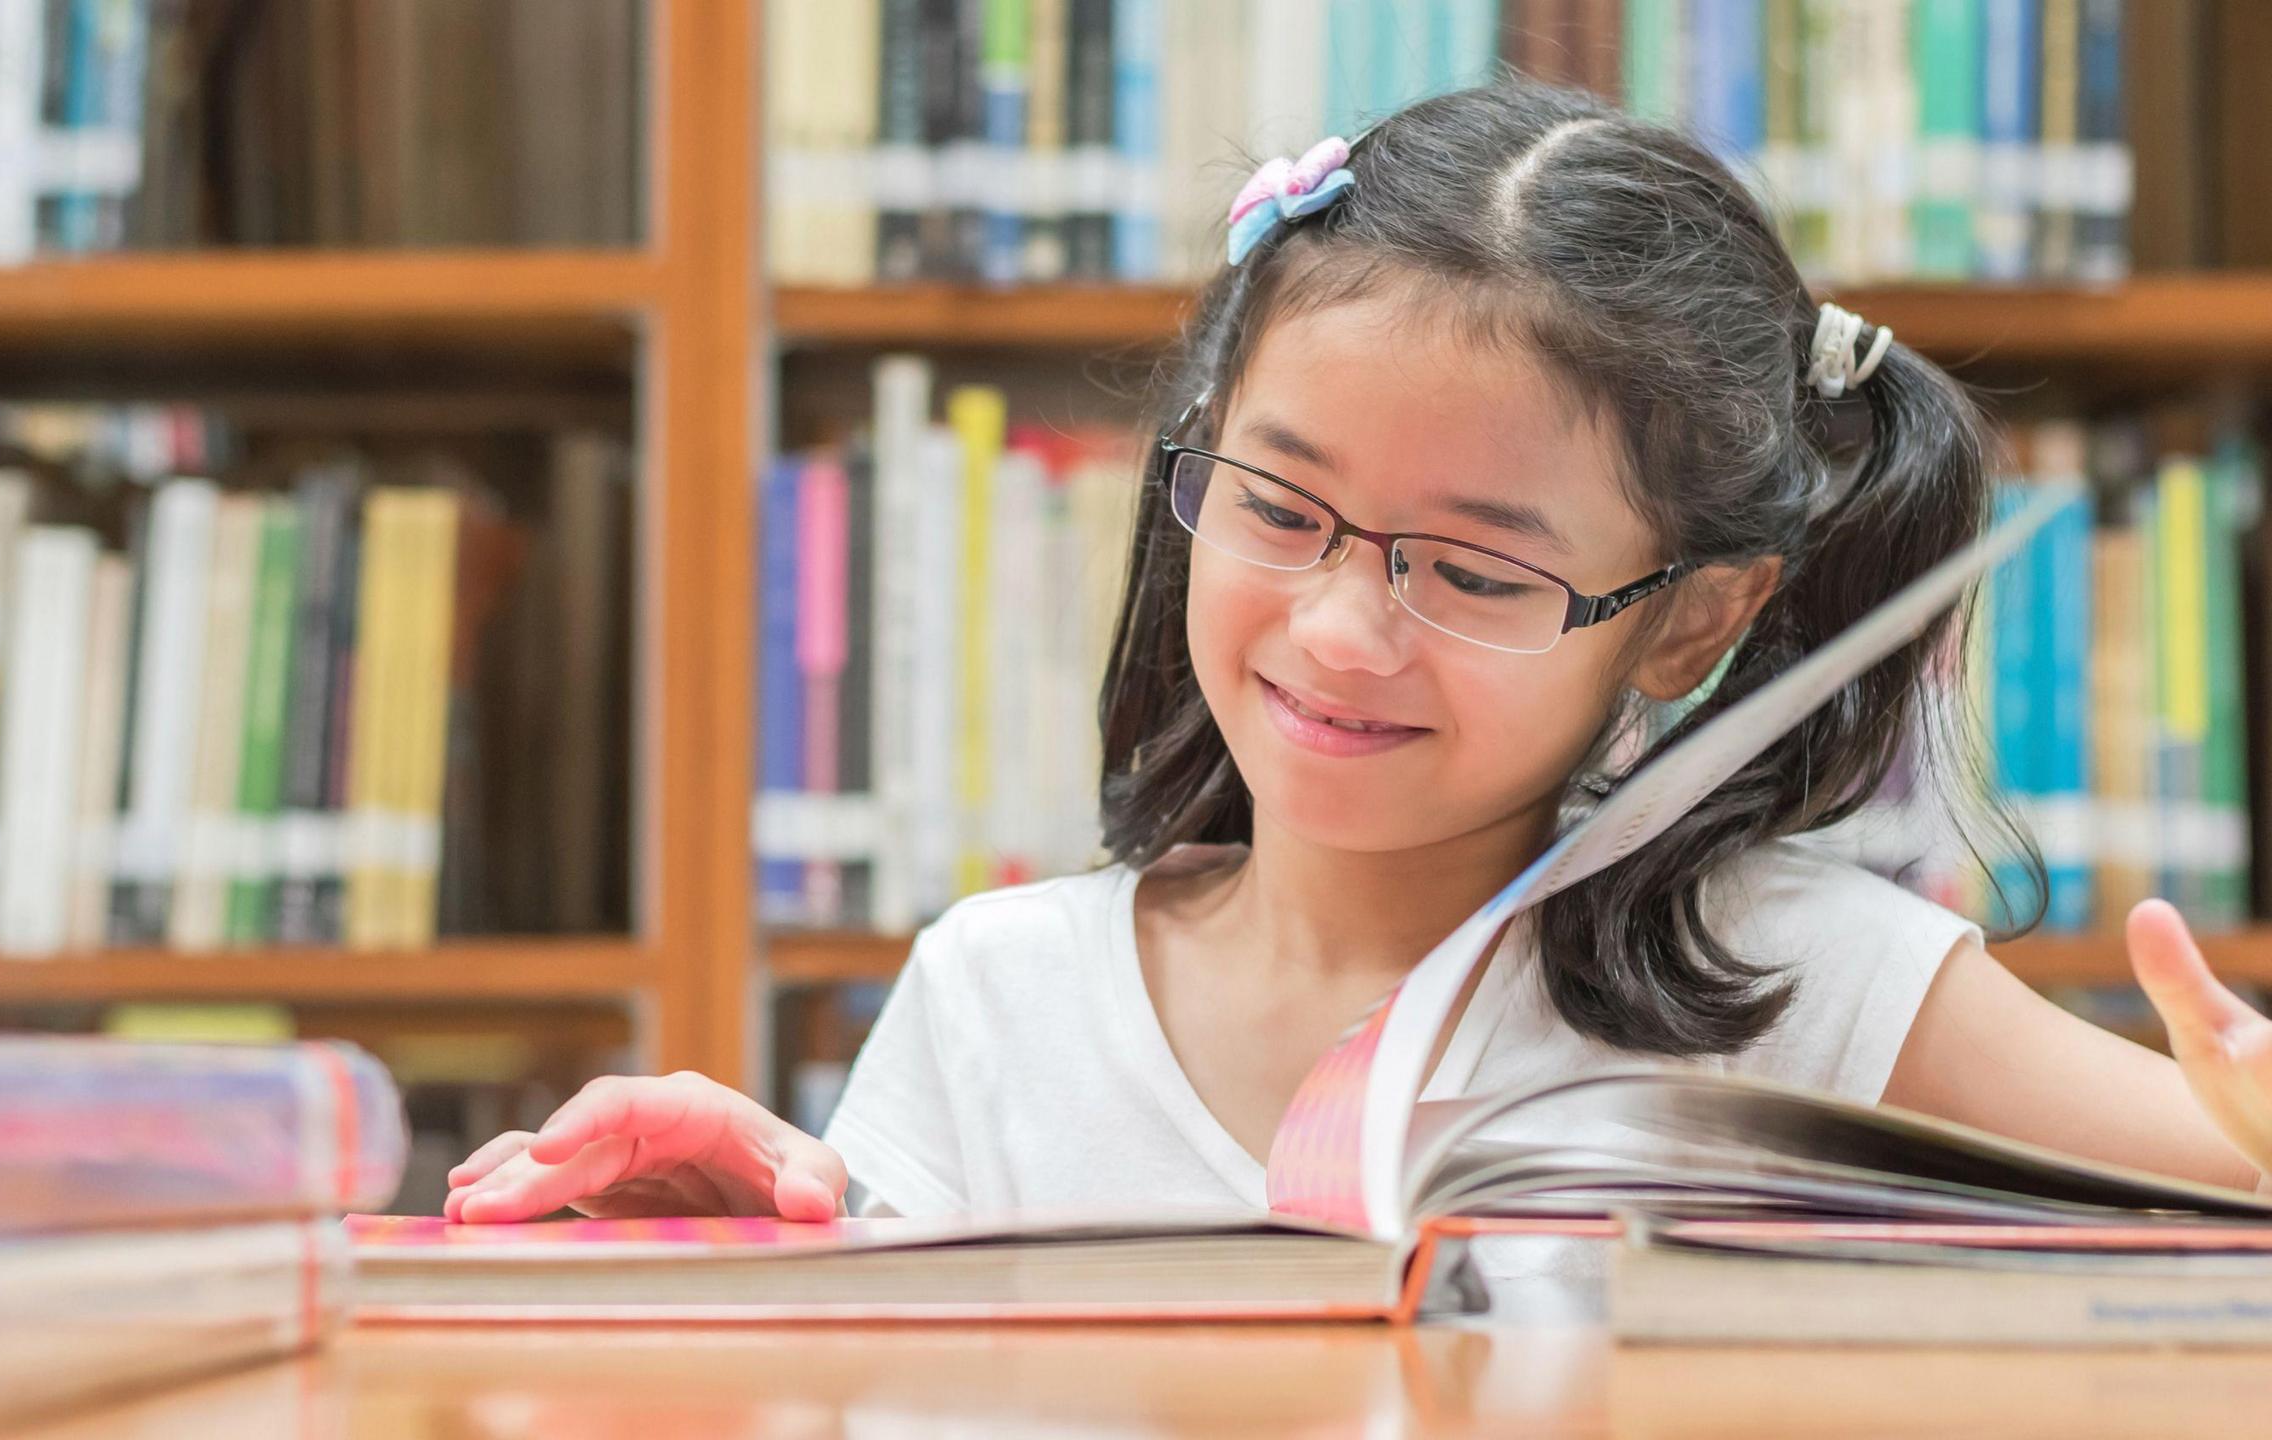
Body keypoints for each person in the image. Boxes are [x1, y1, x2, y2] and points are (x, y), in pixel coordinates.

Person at [444, 82, 2272, 1233]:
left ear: (1690, 620)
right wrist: (745, 1233)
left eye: (1474, 569)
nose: (1336, 628)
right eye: (1279, 504)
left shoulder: (1814, 976)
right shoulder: (999, 992)